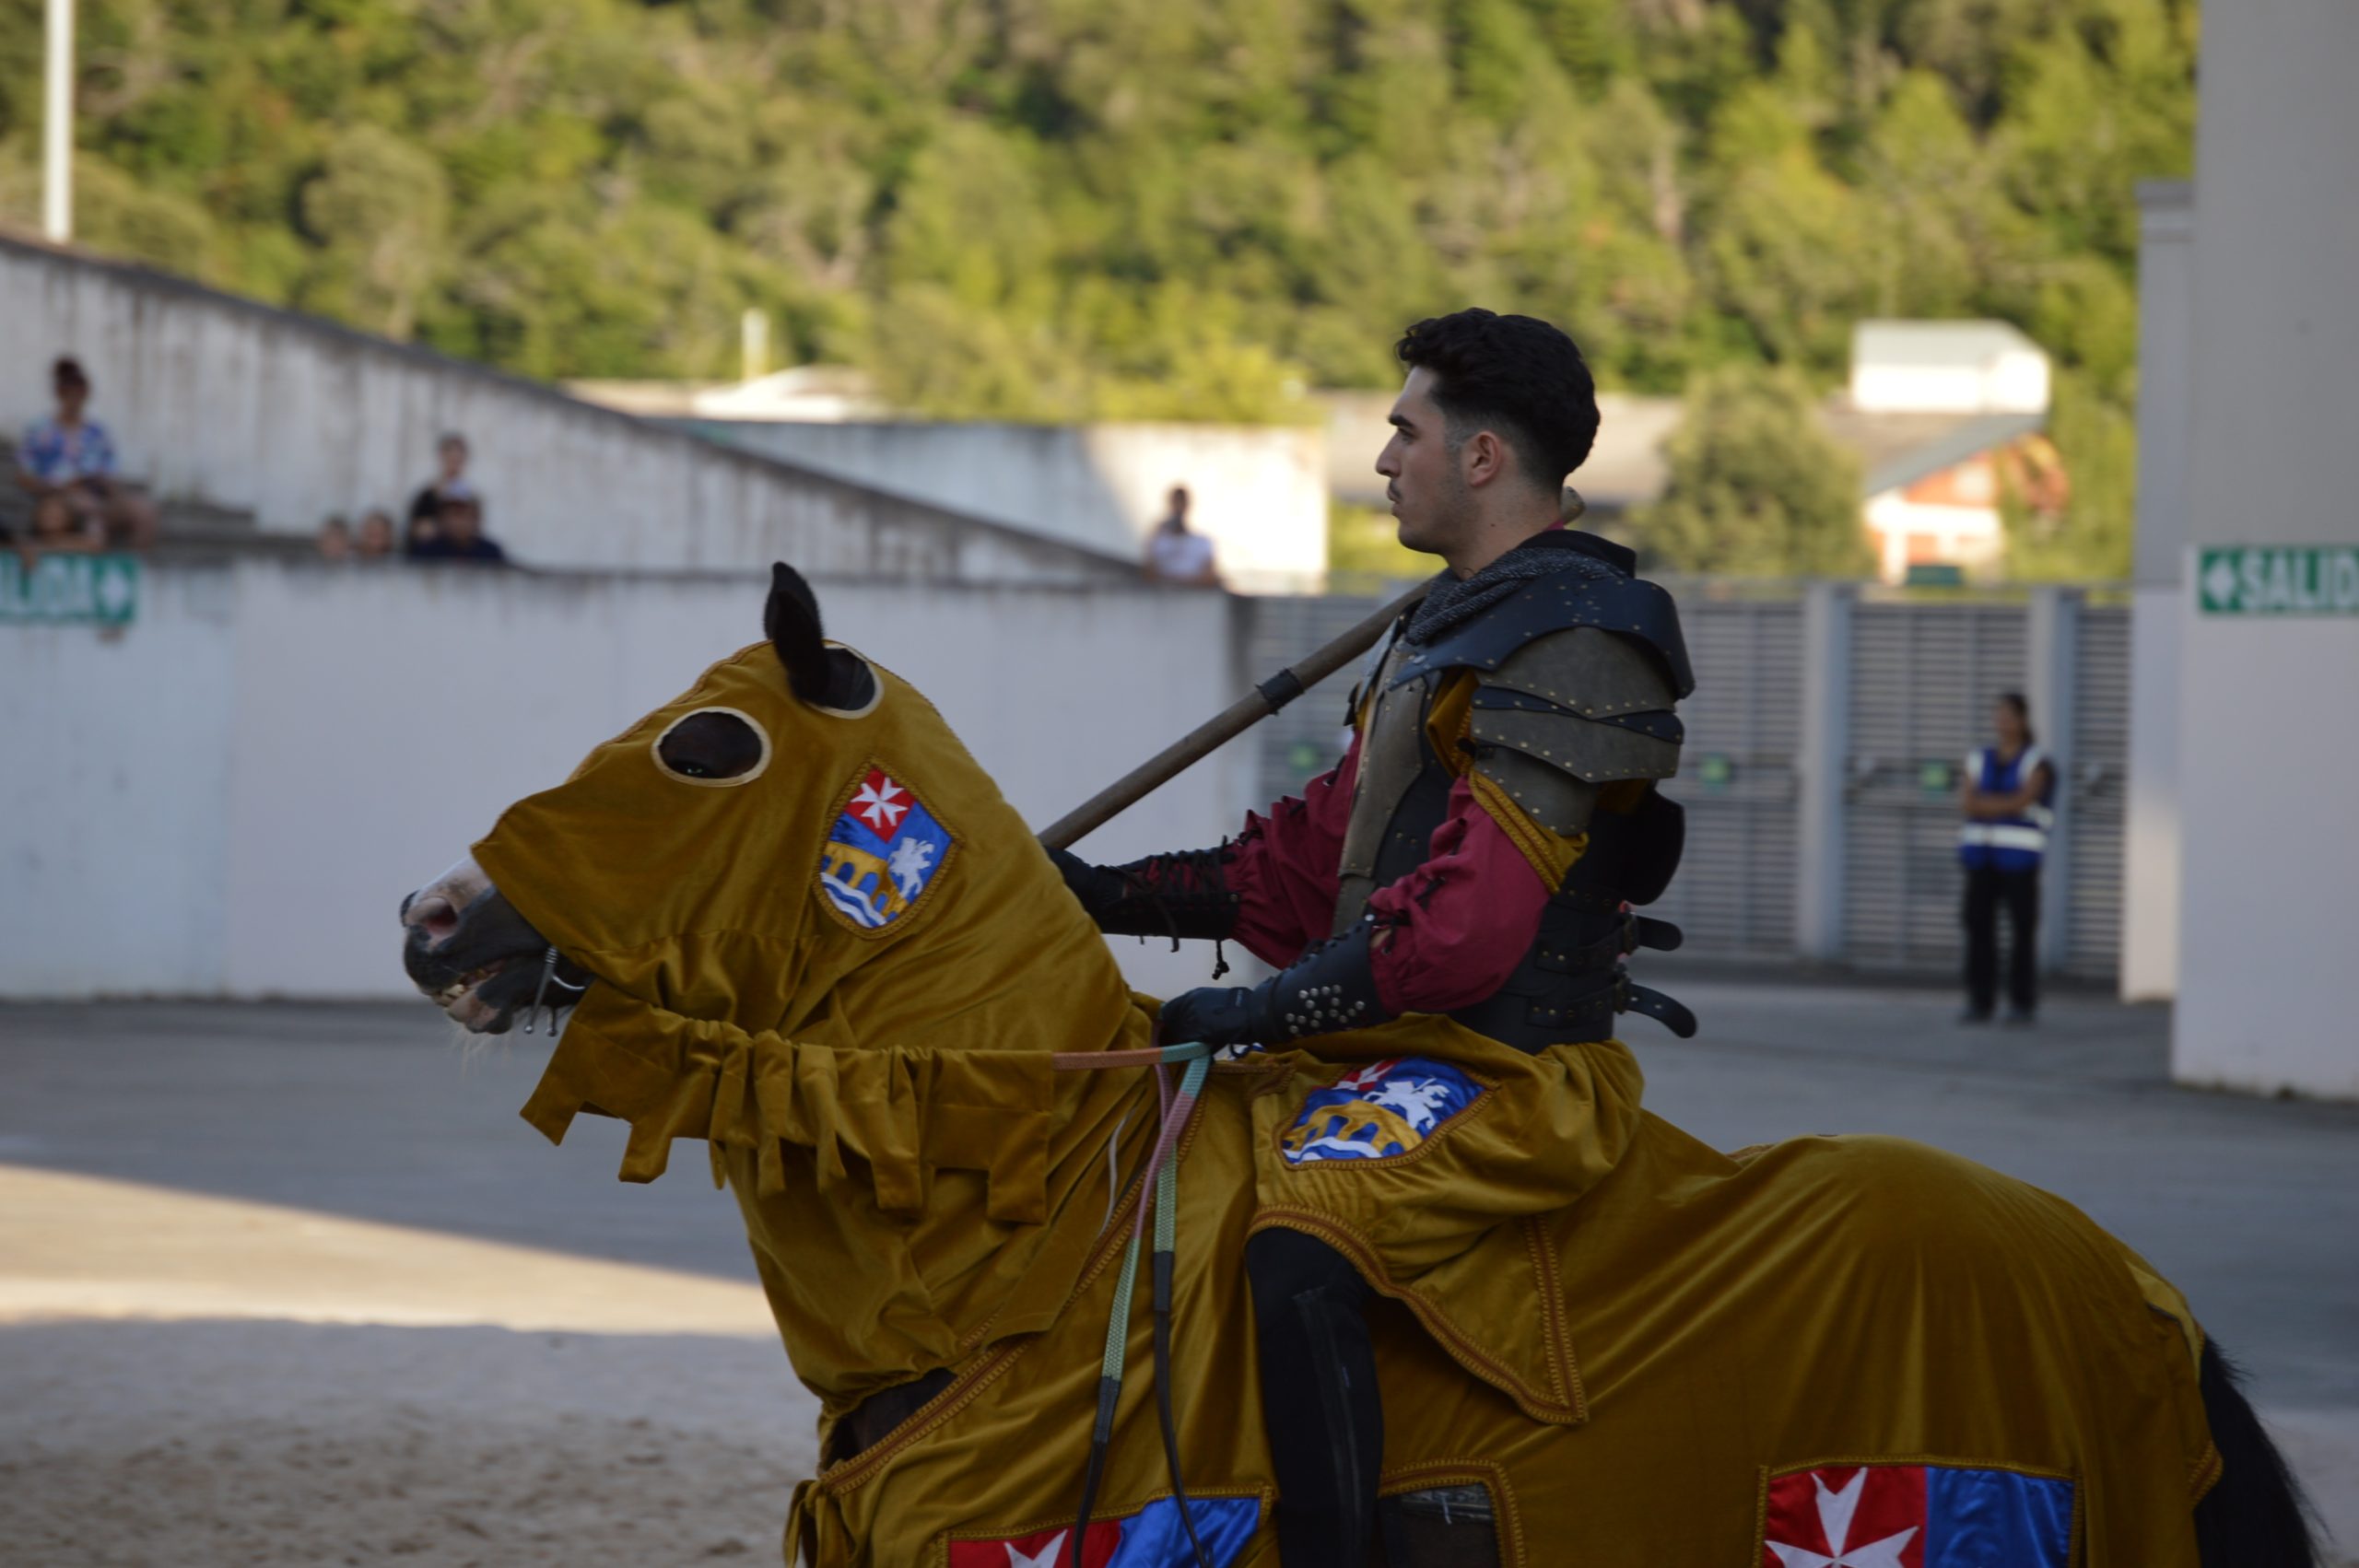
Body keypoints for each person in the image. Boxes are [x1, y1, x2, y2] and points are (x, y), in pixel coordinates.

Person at [1050, 309, 1692, 1565]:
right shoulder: (1447, 624)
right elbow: (1297, 876)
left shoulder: (1574, 631)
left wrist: (1250, 1014)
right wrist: (1086, 890)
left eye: (1406, 429)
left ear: (1485, 457)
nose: (1386, 457)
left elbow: (1468, 933)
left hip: (1502, 1072)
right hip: (1399, 1052)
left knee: (1296, 1250)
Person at [1958, 691, 2055, 1026]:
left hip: (2019, 862)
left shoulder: (2036, 761)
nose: (2002, 721)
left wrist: (1990, 804)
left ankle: (2021, 1003)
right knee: (1978, 928)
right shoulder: (1978, 758)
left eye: (2009, 715)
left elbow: (2025, 800)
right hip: (1981, 860)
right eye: (1998, 714)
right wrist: (2006, 803)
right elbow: (1968, 803)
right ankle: (1979, 1000)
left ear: (2023, 720)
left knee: (2021, 932)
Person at [14, 357, 159, 555]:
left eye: (79, 392)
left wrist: (107, 489)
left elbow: (110, 473)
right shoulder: (39, 430)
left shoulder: (97, 433)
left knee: (144, 510)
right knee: (86, 511)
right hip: (59, 497)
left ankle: (133, 569)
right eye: (69, 392)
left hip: (97, 496)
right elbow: (24, 476)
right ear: (59, 393)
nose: (74, 398)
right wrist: (60, 488)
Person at [406, 432, 475, 552]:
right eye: (451, 458)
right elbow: (419, 532)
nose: (454, 464)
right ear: (442, 457)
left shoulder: (470, 498)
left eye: (458, 459)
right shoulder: (426, 496)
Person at [1143, 485, 1220, 586]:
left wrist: (1184, 582)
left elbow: (1210, 576)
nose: (1178, 508)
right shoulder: (1159, 540)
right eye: (1176, 502)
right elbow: (1148, 573)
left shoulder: (1202, 542)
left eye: (1181, 502)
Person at [406, 493, 508, 564]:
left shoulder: (491, 553)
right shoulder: (425, 553)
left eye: (464, 515)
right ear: (442, 519)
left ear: (476, 519)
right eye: (454, 515)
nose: (459, 522)